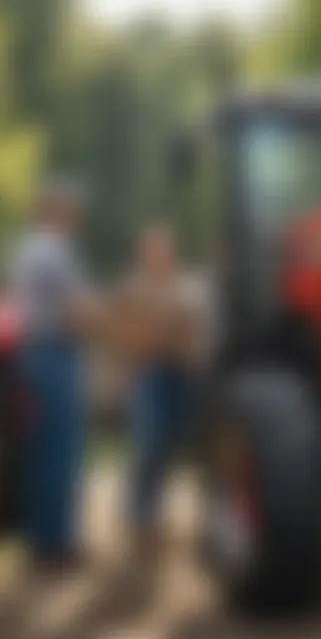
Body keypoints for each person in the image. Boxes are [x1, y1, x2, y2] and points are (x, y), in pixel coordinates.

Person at [9, 178, 96, 568]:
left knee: (40, 447)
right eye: (70, 209)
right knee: (60, 451)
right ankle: (56, 544)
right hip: (54, 353)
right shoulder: (55, 251)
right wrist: (107, 322)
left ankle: (39, 540)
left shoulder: (26, 249)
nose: (76, 217)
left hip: (32, 352)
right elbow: (75, 310)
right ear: (52, 210)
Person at [110, 224, 204, 555]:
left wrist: (174, 337)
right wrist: (160, 335)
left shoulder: (187, 284)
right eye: (153, 248)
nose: (159, 254)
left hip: (181, 374)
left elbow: (193, 328)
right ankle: (139, 521)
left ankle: (155, 520)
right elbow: (126, 334)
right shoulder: (132, 287)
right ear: (143, 253)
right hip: (150, 375)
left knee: (169, 447)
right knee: (149, 445)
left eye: (164, 248)